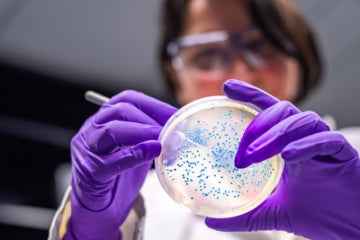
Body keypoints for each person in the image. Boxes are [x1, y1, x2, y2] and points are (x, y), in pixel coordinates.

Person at [48, 0, 360, 239]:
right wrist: (92, 230)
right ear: (177, 77)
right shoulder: (151, 199)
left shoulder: (355, 160)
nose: (241, 71)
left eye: (261, 46)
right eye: (206, 55)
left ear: (301, 59)